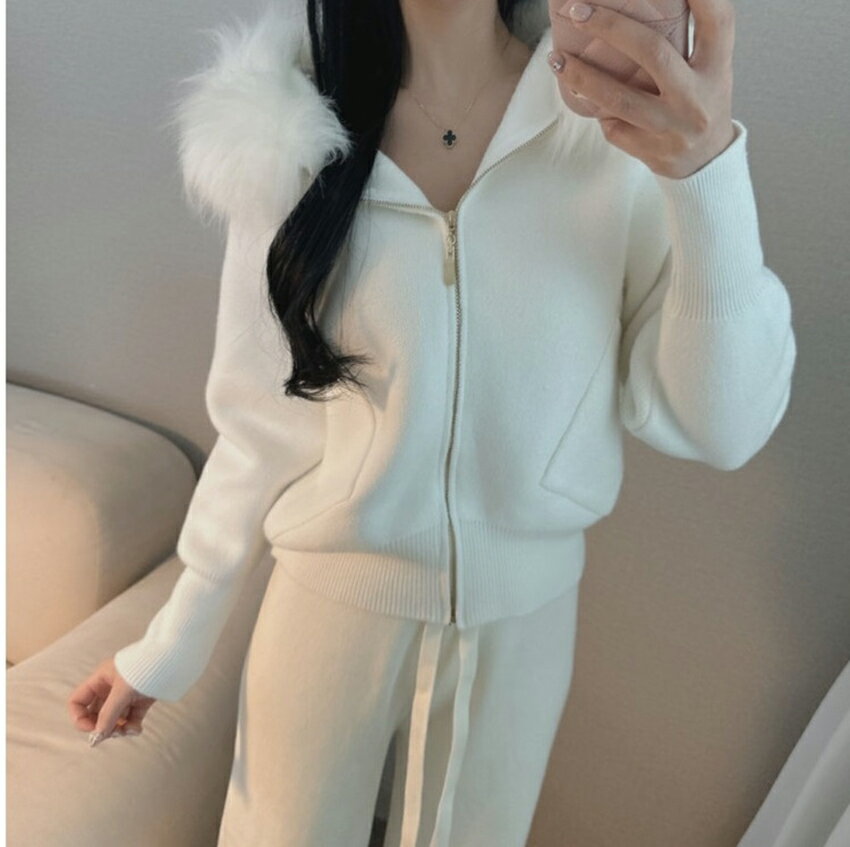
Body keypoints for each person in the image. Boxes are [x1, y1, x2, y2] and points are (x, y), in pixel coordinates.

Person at [67, 0, 798, 844]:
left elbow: (721, 427)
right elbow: (258, 427)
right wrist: (170, 643)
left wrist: (706, 173)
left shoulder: (615, 130)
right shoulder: (282, 126)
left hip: (524, 623)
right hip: (328, 608)